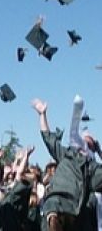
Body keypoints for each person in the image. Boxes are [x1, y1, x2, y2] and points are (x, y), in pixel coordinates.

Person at [32, 97, 102, 231]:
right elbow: (48, 139)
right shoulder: (66, 154)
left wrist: (99, 151)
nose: (84, 144)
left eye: (89, 143)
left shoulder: (91, 168)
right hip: (54, 205)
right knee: (52, 211)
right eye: (83, 140)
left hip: (73, 211)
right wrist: (42, 115)